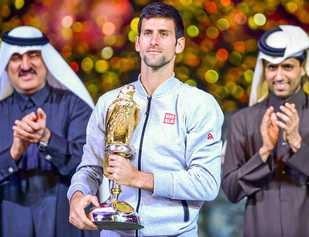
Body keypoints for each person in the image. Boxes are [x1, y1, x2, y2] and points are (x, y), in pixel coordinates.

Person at [68, 2, 224, 236]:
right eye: (148, 33)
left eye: (164, 34)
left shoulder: (199, 105)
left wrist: (139, 178)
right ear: (138, 42)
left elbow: (206, 183)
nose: (154, 41)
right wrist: (77, 195)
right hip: (115, 232)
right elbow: (90, 167)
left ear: (178, 44)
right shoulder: (110, 102)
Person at [0, 26, 99, 237]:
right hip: (9, 222)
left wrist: (47, 139)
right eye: (16, 58)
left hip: (65, 222)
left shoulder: (75, 105)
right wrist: (14, 153)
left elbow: (92, 164)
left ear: (47, 61)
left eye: (33, 56)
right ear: (6, 65)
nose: (25, 65)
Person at [222, 25, 309, 237]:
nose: (279, 76)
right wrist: (264, 151)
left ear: (302, 69)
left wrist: (296, 142)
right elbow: (231, 191)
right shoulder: (242, 121)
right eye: (272, 67)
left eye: (288, 67)